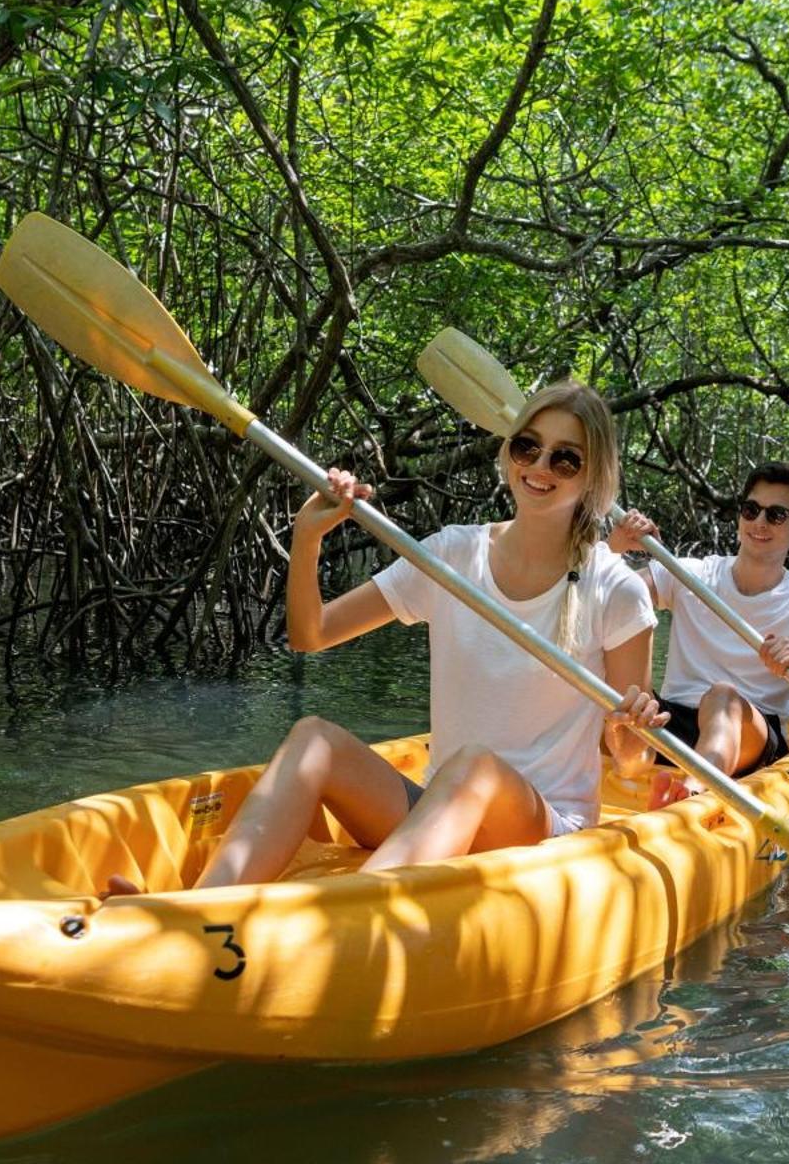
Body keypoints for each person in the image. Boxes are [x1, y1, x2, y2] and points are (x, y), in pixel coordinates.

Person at [108, 381, 667, 896]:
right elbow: (312, 635)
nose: (541, 467)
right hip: (443, 809)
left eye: (565, 458)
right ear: (509, 453)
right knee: (314, 738)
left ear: (594, 477)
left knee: (472, 765)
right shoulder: (450, 554)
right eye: (528, 447)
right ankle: (202, 908)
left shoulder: (615, 590)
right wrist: (308, 538)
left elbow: (634, 765)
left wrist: (623, 731)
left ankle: (336, 923)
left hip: (545, 835)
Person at [606, 462, 789, 800]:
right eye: (751, 510)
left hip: (750, 733)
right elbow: (606, 602)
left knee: (722, 696)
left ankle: (691, 793)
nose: (759, 523)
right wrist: (614, 548)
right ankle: (621, 762)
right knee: (609, 683)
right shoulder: (690, 574)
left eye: (776, 515)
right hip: (672, 722)